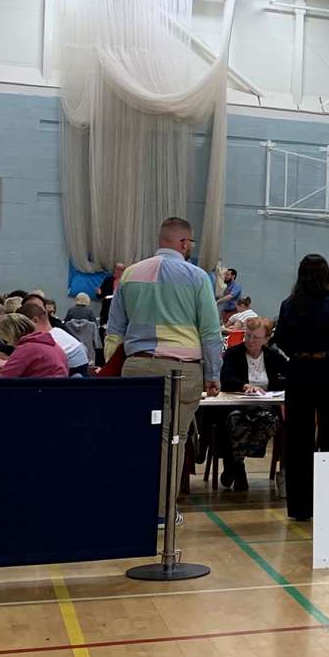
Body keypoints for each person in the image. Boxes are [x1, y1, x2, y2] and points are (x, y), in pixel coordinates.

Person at [105, 216, 223, 523]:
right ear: (184, 243)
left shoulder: (130, 275)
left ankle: (128, 505)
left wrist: (113, 368)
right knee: (173, 441)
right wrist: (213, 375)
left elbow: (114, 330)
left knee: (136, 438)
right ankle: (160, 513)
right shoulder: (197, 278)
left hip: (137, 368)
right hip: (181, 371)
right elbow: (210, 332)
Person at [273, 254, 329, 521]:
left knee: (298, 439)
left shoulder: (288, 305)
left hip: (299, 370)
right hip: (327, 369)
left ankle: (300, 507)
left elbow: (280, 338)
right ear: (326, 276)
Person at [216, 317, 287, 491]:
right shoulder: (234, 353)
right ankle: (239, 470)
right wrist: (244, 385)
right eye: (247, 336)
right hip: (238, 406)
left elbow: (290, 374)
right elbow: (226, 379)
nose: (250, 341)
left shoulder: (272, 355)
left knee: (268, 421)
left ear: (266, 339)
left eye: (256, 337)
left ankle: (232, 465)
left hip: (265, 407)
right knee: (237, 421)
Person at [0, 313, 68, 378]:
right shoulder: (48, 342)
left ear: (10, 335)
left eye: (5, 340)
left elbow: (3, 380)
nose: (8, 344)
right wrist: (8, 364)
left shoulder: (26, 348)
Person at [21, 300, 89, 375]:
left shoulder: (44, 339)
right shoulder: (58, 331)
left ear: (34, 321)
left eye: (23, 325)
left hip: (68, 372)